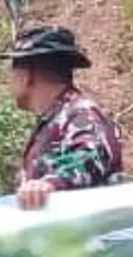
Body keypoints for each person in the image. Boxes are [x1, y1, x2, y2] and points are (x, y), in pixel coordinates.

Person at [8, 25, 123, 209]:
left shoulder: (82, 116)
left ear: (27, 75)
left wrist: (49, 184)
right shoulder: (53, 119)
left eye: (13, 70)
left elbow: (89, 156)